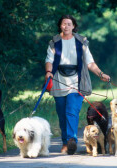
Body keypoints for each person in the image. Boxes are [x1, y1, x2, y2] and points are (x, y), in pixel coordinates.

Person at [45, 15, 110, 155]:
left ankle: (71, 141)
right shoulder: (54, 42)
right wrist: (48, 72)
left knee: (72, 111)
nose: (66, 26)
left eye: (69, 24)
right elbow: (49, 60)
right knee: (62, 114)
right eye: (64, 24)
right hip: (58, 80)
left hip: (77, 81)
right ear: (60, 26)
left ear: (73, 26)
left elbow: (90, 63)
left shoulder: (81, 42)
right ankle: (64, 142)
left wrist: (100, 74)